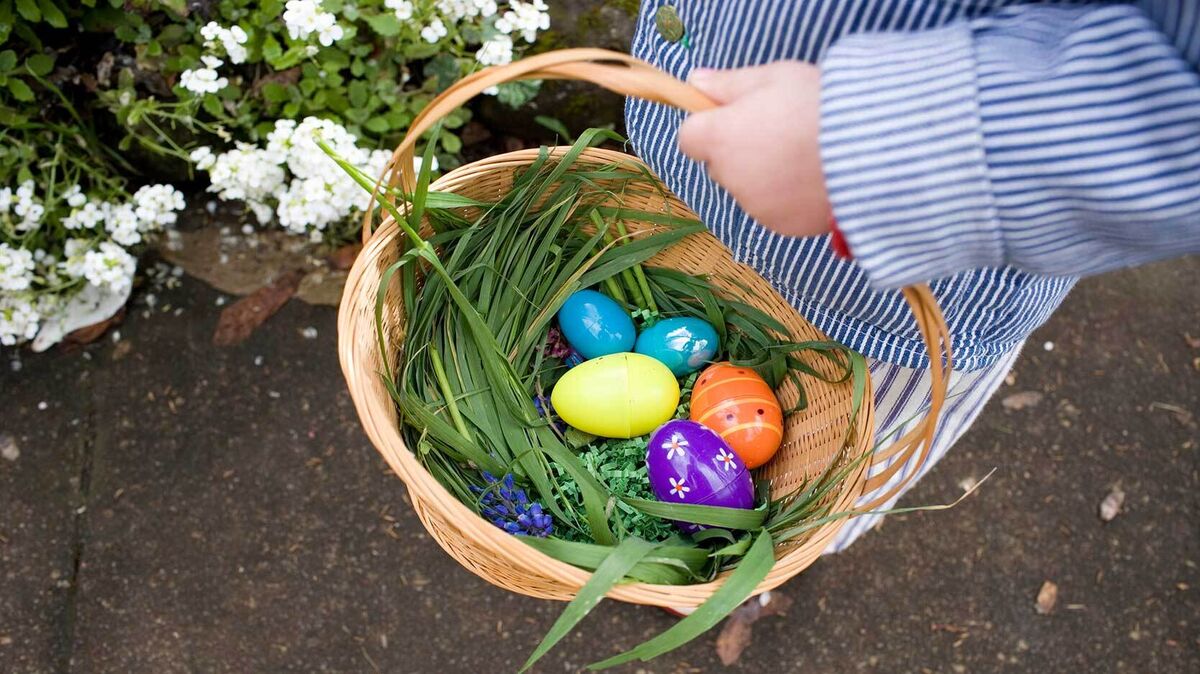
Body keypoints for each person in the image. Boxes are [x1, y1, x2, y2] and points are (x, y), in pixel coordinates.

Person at [625, 0, 1200, 552]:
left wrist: (863, 144)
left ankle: (770, 556)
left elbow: (1177, 102)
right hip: (686, 156)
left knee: (838, 475)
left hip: (893, 297)